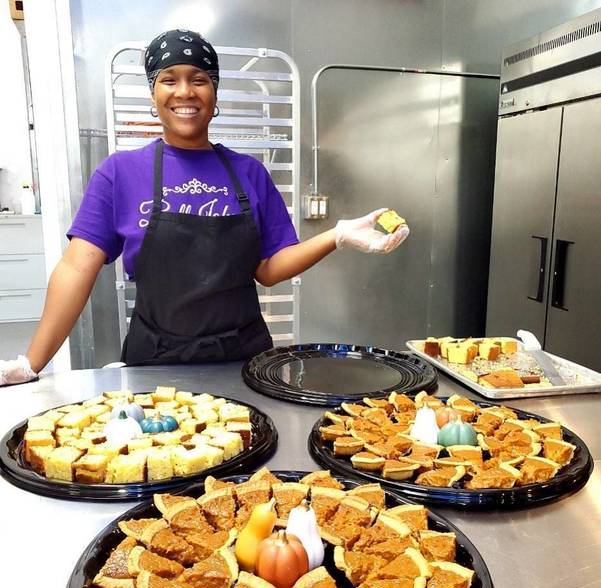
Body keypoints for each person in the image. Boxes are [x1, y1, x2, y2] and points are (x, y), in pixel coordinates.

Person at [0, 29, 409, 387]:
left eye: (198, 79)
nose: (185, 92)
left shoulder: (249, 173)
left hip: (243, 363)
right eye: (169, 79)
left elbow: (268, 270)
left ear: (214, 93)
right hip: (154, 364)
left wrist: (336, 236)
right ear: (153, 94)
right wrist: (32, 363)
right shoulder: (120, 173)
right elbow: (76, 268)